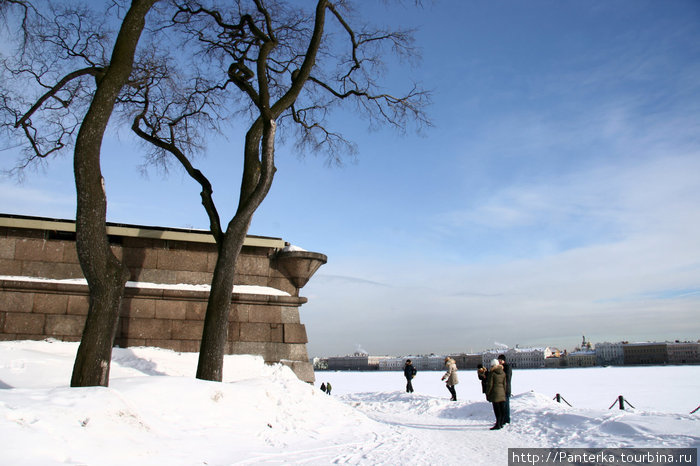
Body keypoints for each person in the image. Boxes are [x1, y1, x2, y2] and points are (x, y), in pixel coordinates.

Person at [486, 358, 507, 430]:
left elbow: (490, 385)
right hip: (502, 392)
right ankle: (501, 423)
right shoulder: (503, 372)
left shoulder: (492, 373)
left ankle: (497, 424)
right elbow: (504, 384)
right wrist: (504, 392)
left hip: (495, 393)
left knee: (497, 409)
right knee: (501, 409)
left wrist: (487, 393)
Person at [498, 354, 512, 424]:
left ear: (504, 360)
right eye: (499, 360)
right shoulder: (501, 367)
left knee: (506, 405)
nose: (499, 361)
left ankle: (506, 419)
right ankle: (503, 419)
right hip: (501, 389)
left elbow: (507, 378)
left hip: (506, 389)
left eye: (501, 360)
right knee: (502, 406)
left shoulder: (507, 367)